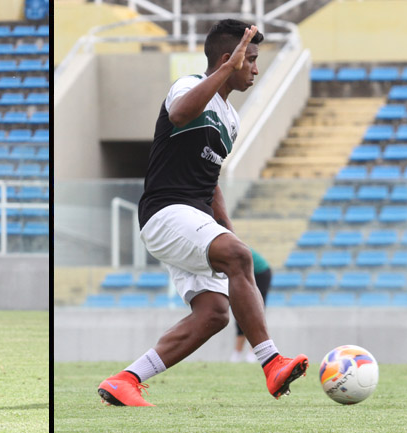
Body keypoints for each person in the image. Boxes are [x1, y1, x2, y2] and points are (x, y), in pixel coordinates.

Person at [97, 19, 308, 407]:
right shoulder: (187, 86)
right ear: (229, 59)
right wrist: (227, 69)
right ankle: (271, 362)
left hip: (192, 219)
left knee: (214, 314)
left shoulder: (231, 119)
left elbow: (211, 182)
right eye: (252, 60)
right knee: (239, 259)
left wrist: (227, 230)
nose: (256, 69)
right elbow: (179, 114)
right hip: (164, 213)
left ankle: (125, 380)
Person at [230, 248, 271, 363]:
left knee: (255, 311)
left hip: (261, 274)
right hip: (247, 273)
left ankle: (253, 353)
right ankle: (237, 353)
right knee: (240, 311)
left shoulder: (230, 250)